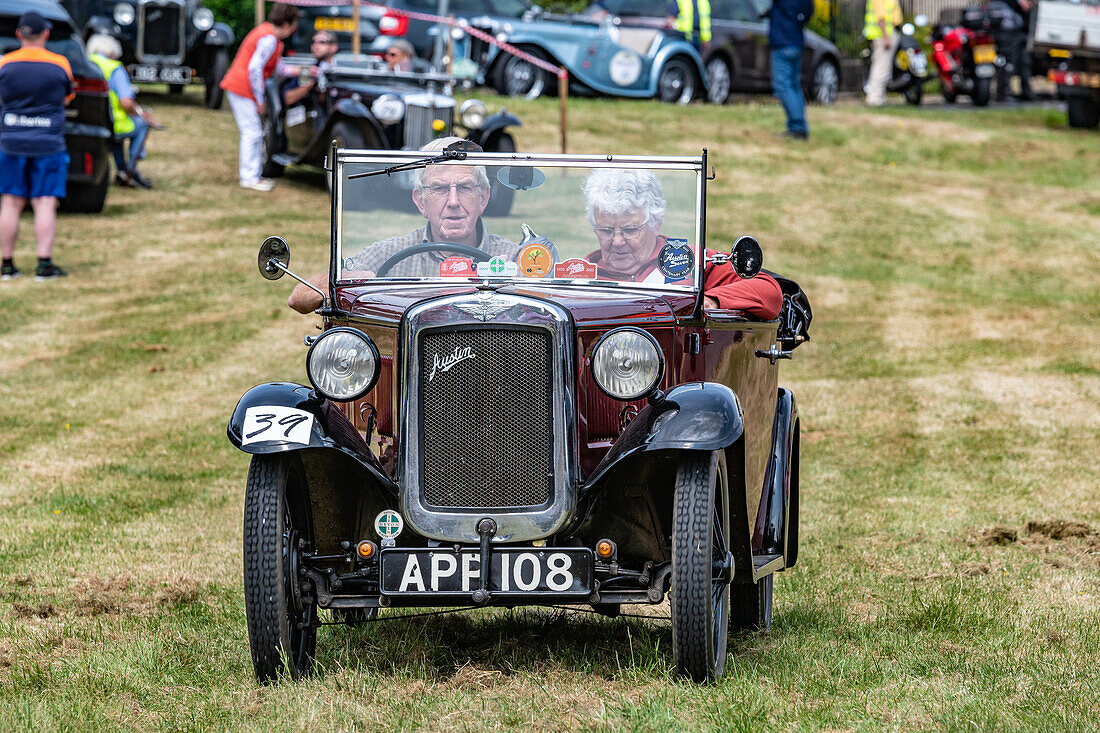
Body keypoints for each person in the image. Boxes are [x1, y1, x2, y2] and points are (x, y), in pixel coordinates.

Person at [288, 138, 519, 313]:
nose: (453, 202)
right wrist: (348, 280)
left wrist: (521, 287)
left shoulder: (515, 258)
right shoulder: (389, 253)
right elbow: (298, 299)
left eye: (465, 188)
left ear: (484, 197)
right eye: (439, 189)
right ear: (420, 201)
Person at [582, 169, 783, 319]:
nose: (617, 241)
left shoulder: (689, 261)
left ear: (656, 224)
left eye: (630, 230)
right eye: (606, 230)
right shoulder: (578, 275)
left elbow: (769, 292)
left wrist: (710, 301)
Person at [0, 11, 72, 281]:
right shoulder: (59, 64)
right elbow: (67, 98)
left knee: (10, 202)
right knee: (44, 203)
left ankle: (7, 265)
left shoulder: (5, 64)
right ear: (46, 34)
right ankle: (44, 264)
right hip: (48, 142)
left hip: (11, 141)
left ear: (19, 34)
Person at [220, 3, 300, 192]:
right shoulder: (269, 39)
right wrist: (259, 99)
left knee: (253, 131)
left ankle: (252, 175)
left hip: (241, 87)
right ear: (287, 23)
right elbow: (254, 69)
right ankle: (249, 177)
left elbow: (277, 68)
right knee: (252, 132)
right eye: (294, 24)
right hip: (242, 88)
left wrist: (300, 71)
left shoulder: (269, 35)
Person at [86, 33, 159, 189]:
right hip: (114, 123)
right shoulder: (115, 69)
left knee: (118, 137)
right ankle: (131, 172)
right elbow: (126, 103)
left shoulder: (86, 64)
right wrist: (140, 112)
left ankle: (121, 171)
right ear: (112, 52)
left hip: (91, 121)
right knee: (142, 125)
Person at [768, 0, 815, 140]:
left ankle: (797, 127)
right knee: (794, 85)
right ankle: (800, 126)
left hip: (782, 42)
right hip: (796, 40)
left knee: (783, 86)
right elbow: (808, 12)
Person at [282, 30, 338, 107]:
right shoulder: (308, 71)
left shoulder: (342, 70)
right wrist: (307, 87)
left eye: (322, 42)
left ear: (333, 47)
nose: (316, 45)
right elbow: (288, 99)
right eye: (313, 42)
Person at [864, 0, 903, 106]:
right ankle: (875, 98)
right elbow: (881, 17)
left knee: (882, 67)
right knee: (881, 67)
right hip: (883, 35)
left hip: (886, 33)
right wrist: (886, 37)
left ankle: (877, 97)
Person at [1003, 0, 1034, 100]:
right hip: (1011, 33)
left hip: (1024, 33)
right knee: (1010, 63)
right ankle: (1004, 92)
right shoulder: (1009, 5)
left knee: (1024, 63)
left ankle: (1026, 92)